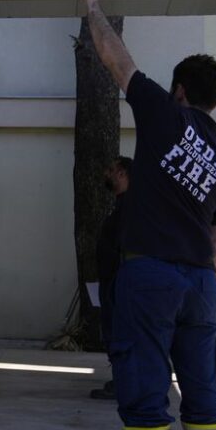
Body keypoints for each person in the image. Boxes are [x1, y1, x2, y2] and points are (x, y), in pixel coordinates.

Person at [82, 0, 216, 430]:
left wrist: (93, 8)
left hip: (150, 274)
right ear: (213, 101)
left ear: (178, 91)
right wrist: (202, 301)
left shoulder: (164, 117)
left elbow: (115, 60)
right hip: (200, 281)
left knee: (145, 376)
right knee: (202, 386)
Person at [90, 156, 131, 401]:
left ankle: (123, 382)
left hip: (119, 282)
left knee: (118, 332)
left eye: (111, 170)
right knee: (113, 332)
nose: (107, 174)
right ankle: (121, 379)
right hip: (112, 280)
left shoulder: (130, 207)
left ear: (123, 174)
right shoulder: (122, 205)